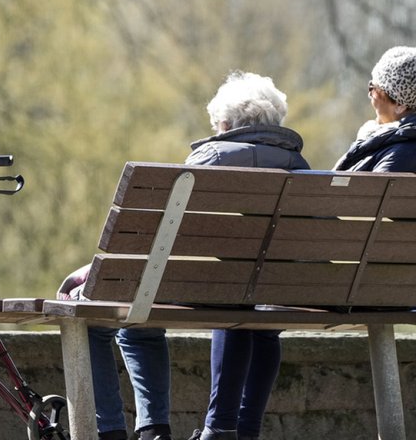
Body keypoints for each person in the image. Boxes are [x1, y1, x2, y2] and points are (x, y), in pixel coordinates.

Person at [185, 71, 310, 440]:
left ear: (225, 123)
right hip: (277, 289)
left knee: (233, 299)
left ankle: (218, 428)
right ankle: (246, 430)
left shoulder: (208, 157)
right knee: (260, 314)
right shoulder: (299, 166)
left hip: (215, 288)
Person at [57, 264, 172, 440]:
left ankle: (110, 431)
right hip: (176, 288)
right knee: (140, 328)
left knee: (90, 326)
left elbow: (129, 253)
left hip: (131, 275)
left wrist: (78, 276)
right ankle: (155, 431)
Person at [334, 46, 416, 173]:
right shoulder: (384, 143)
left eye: (374, 89)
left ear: (400, 105)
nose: (370, 95)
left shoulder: (399, 154)